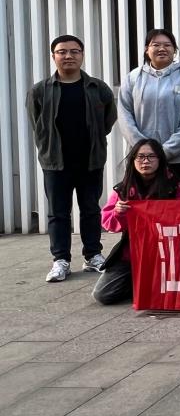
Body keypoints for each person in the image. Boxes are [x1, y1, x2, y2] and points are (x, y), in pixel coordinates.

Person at [28, 34, 118, 282]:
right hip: (55, 162)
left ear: (82, 55)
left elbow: (108, 120)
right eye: (62, 51)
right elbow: (38, 125)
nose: (68, 56)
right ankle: (61, 260)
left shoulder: (97, 88)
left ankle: (93, 255)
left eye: (74, 51)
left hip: (90, 160)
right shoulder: (40, 91)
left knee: (90, 209)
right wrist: (49, 149)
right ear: (53, 56)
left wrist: (94, 140)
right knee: (58, 213)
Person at [95, 139, 180, 305]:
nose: (145, 161)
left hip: (168, 251)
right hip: (132, 251)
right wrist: (118, 213)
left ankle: (148, 284)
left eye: (151, 156)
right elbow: (108, 222)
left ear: (160, 159)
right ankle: (138, 284)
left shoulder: (176, 188)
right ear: (133, 160)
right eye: (140, 157)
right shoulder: (123, 189)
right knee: (102, 294)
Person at [118, 28, 180, 186]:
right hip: (141, 160)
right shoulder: (133, 78)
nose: (162, 48)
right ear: (147, 49)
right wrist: (145, 152)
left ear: (174, 50)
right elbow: (125, 117)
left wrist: (165, 152)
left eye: (167, 45)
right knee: (141, 200)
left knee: (179, 200)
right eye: (156, 45)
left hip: (179, 158)